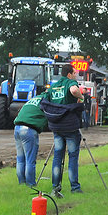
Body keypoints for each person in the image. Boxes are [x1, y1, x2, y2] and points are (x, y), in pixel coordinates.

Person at [39, 64, 84, 198]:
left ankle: (55, 186)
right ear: (69, 74)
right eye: (75, 73)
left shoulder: (53, 85)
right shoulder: (70, 82)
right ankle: (75, 187)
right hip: (70, 126)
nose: (76, 75)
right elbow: (74, 91)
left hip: (56, 126)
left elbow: (45, 98)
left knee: (57, 156)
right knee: (72, 156)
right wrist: (81, 97)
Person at [13, 94, 49, 187]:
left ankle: (21, 183)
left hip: (17, 128)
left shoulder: (33, 100)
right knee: (30, 160)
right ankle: (31, 184)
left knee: (20, 159)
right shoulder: (46, 101)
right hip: (29, 129)